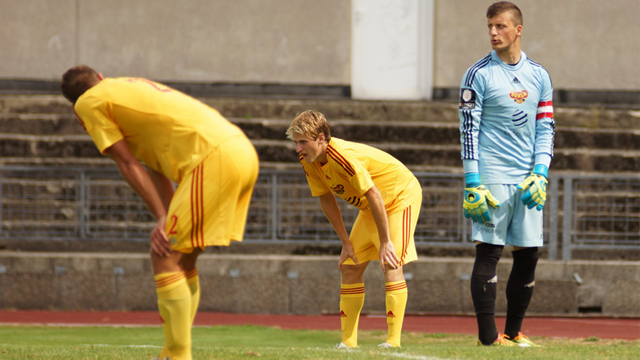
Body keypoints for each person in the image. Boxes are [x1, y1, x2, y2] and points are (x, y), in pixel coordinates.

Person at [61, 65, 259, 360]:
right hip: (240, 150)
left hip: (212, 159)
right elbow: (154, 167)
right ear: (101, 76)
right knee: (183, 257)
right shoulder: (127, 89)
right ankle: (172, 352)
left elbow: (127, 163)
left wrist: (160, 218)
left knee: (163, 255)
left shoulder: (87, 103)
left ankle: (178, 356)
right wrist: (167, 215)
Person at [458, 1, 555, 347]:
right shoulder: (478, 74)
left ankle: (513, 333)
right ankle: (488, 338)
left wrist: (541, 172)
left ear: (518, 30)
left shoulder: (540, 75)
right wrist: (473, 180)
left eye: (500, 26)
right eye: (489, 27)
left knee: (528, 253)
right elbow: (468, 130)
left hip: (528, 177)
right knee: (489, 251)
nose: (493, 33)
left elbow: (546, 128)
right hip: (492, 175)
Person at [286, 110, 423, 349]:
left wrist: (386, 242)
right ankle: (348, 343)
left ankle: (393, 342)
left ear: (320, 138)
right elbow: (325, 198)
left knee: (391, 262)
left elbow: (374, 195)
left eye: (303, 142)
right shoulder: (308, 160)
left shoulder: (343, 156)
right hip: (373, 206)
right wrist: (345, 243)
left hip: (400, 198)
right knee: (349, 266)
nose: (298, 148)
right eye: (296, 142)